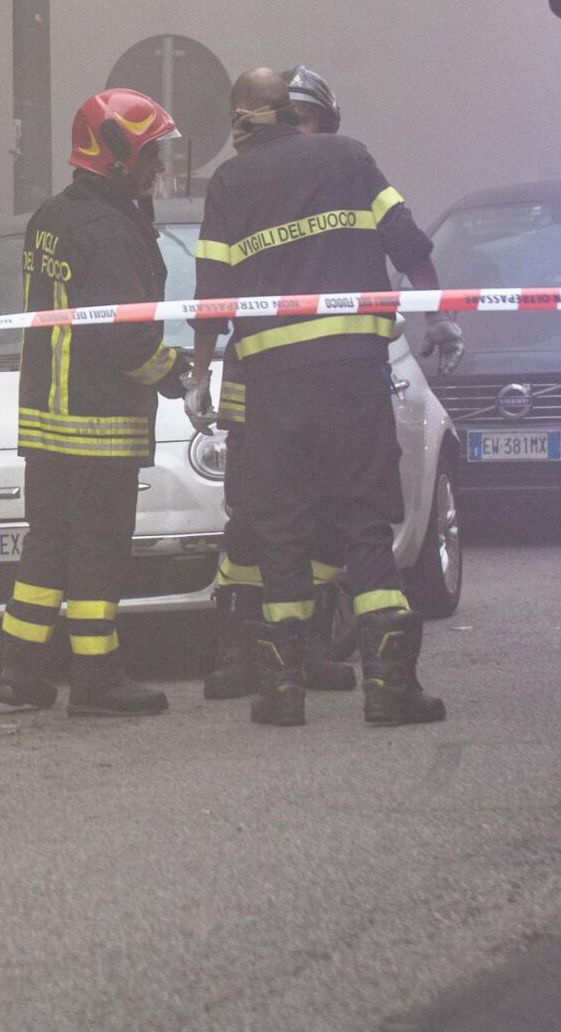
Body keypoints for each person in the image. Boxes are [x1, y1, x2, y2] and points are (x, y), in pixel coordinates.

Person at [189, 67, 460, 726]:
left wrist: (201, 376)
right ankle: (390, 685)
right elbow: (409, 243)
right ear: (291, 110)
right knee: (363, 521)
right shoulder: (350, 156)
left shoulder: (230, 182)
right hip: (353, 378)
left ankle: (282, 692)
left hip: (273, 389)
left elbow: (211, 294)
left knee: (280, 528)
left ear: (244, 119)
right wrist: (439, 317)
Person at [0, 89, 192, 717]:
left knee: (47, 541)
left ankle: (22, 671)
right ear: (114, 156)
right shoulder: (110, 230)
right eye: (149, 154)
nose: (157, 167)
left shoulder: (51, 217)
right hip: (100, 420)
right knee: (100, 547)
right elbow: (127, 335)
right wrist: (176, 375)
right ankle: (97, 676)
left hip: (46, 421)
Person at [192, 67, 358, 701]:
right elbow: (214, 289)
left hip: (322, 384)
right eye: (293, 117)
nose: (300, 131)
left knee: (319, 523)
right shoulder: (249, 187)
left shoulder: (334, 182)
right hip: (256, 384)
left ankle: (306, 647)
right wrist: (202, 370)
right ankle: (243, 647)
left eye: (308, 119)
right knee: (253, 523)